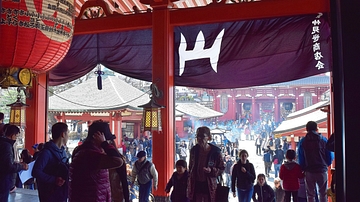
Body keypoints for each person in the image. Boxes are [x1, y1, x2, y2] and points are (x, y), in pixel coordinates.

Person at [69, 120, 124, 202]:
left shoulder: (82, 151)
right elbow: (118, 161)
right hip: (93, 197)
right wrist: (104, 144)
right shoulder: (90, 155)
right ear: (98, 137)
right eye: (107, 140)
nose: (109, 142)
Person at [32, 122, 70, 202]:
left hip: (61, 192)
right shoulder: (46, 152)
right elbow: (36, 171)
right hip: (49, 193)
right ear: (63, 134)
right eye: (67, 133)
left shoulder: (63, 151)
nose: (68, 136)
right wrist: (54, 179)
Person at [298, 121, 334, 202]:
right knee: (323, 193)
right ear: (317, 128)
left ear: (306, 129)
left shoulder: (303, 142)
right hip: (321, 170)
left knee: (310, 194)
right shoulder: (323, 140)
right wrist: (326, 164)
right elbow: (329, 155)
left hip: (309, 171)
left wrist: (303, 168)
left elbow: (301, 157)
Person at [187, 126, 225, 202]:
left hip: (209, 185)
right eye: (198, 136)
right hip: (195, 183)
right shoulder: (194, 150)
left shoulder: (216, 152)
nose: (199, 139)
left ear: (208, 137)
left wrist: (211, 170)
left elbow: (222, 169)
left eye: (202, 136)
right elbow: (191, 167)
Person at [0, 125, 28, 202]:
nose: (16, 139)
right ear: (13, 135)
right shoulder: (7, 146)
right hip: (3, 180)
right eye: (16, 136)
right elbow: (8, 166)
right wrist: (21, 166)